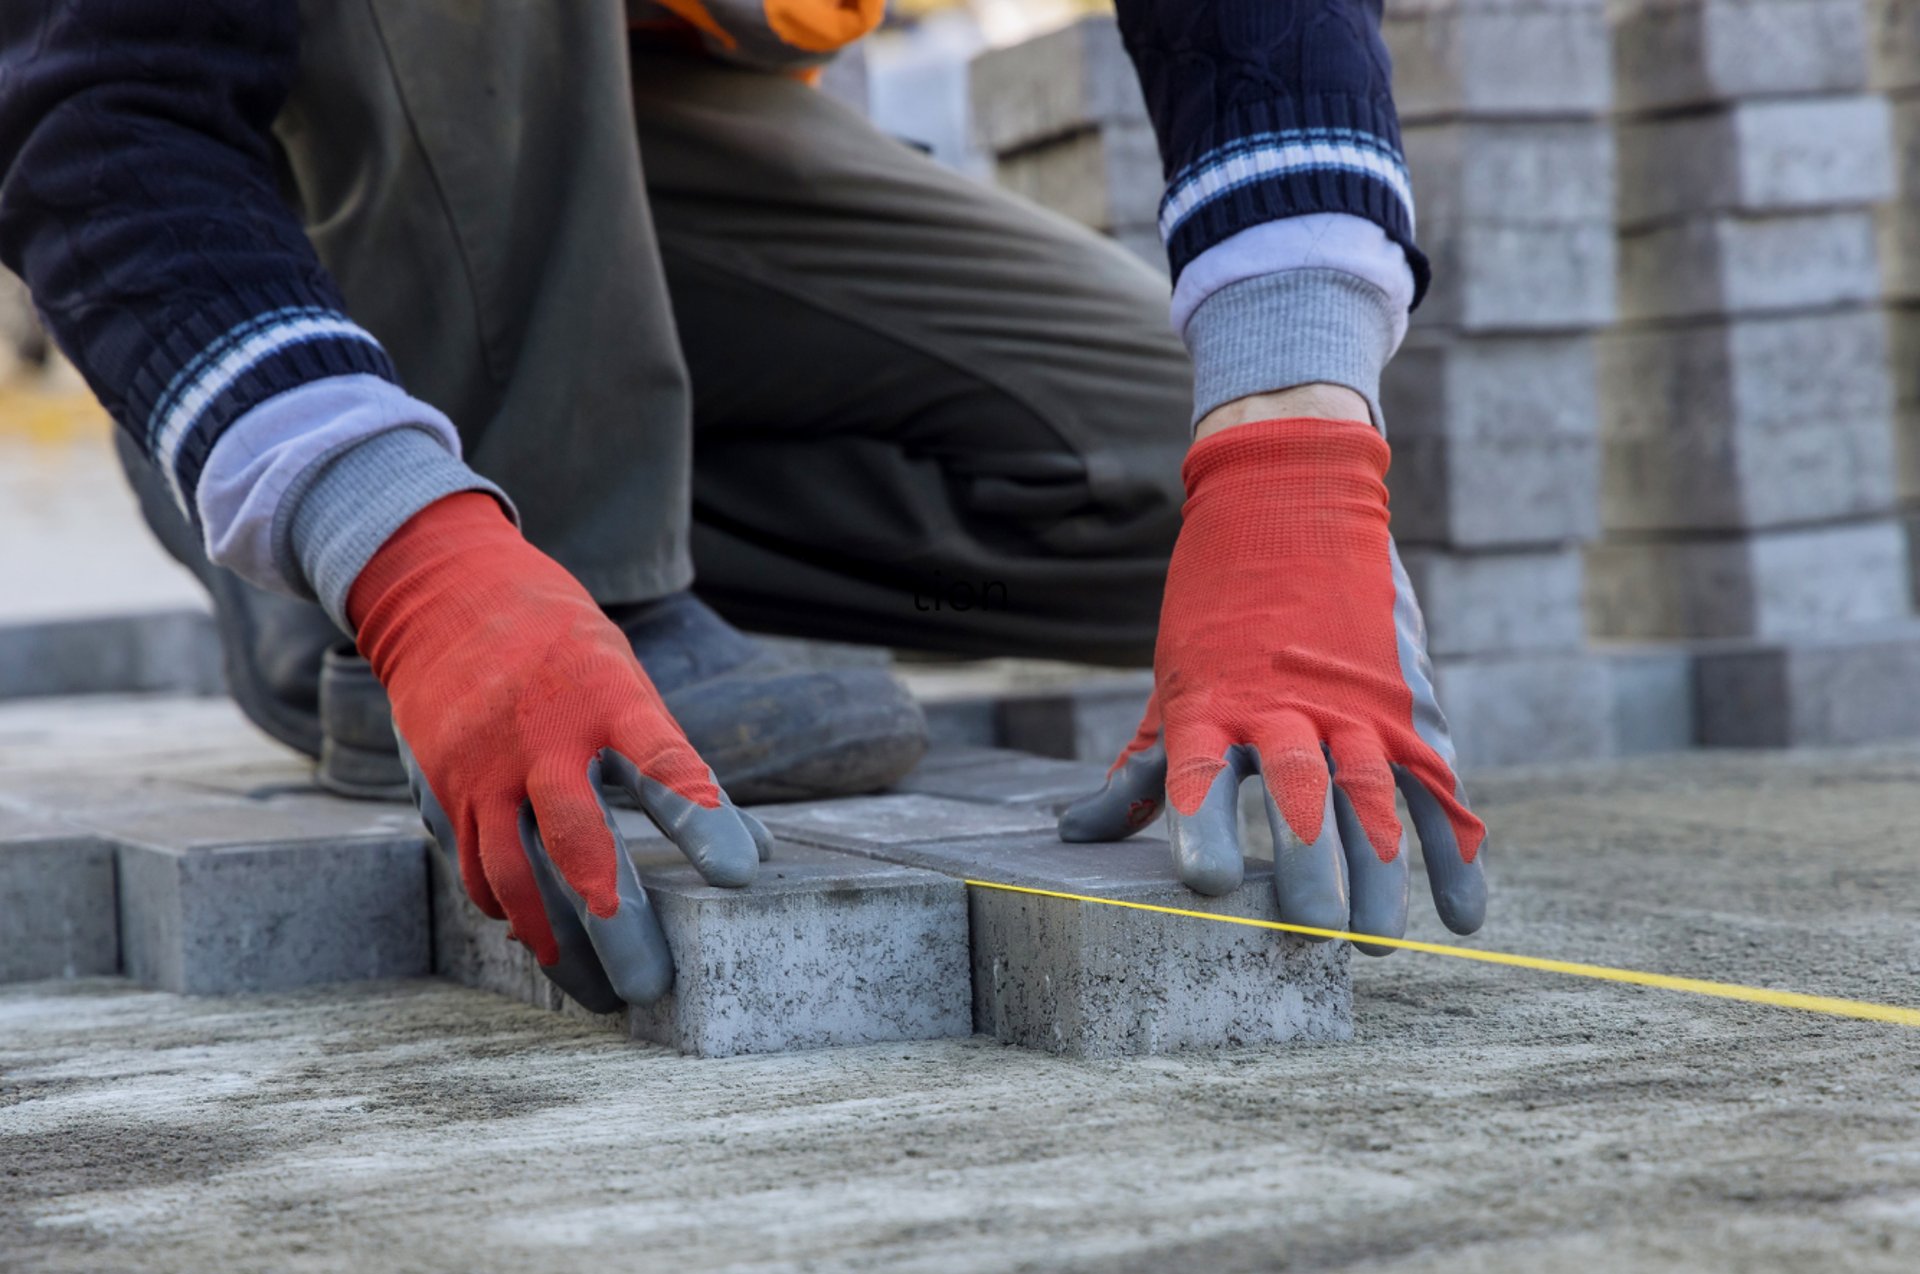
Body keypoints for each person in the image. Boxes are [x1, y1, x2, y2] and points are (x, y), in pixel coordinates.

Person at [0, 0, 1486, 1011]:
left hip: (659, 121)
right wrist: (396, 548)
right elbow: (93, 104)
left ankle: (500, 518)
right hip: (343, 110)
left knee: (1130, 486)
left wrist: (1290, 446)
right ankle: (374, 500)